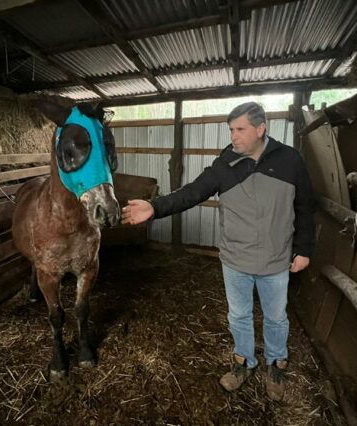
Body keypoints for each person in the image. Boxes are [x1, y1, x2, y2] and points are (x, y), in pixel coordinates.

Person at [121, 102, 316, 401]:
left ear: (261, 128)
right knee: (239, 315)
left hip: (276, 259)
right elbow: (191, 193)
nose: (233, 136)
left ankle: (276, 362)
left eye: (240, 129)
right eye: (231, 130)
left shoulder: (290, 160)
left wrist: (304, 249)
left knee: (276, 317)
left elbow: (304, 206)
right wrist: (154, 207)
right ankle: (244, 362)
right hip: (235, 260)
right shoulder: (224, 166)